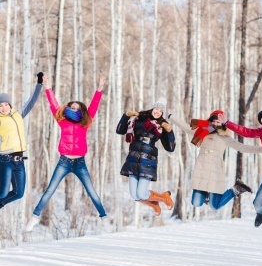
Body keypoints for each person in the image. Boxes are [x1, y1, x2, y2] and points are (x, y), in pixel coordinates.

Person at [26, 75, 111, 233]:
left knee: (91, 191)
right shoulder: (62, 120)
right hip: (64, 161)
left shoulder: (85, 122)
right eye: (72, 107)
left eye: (78, 108)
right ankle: (35, 218)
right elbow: (54, 105)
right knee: (50, 189)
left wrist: (99, 90)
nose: (75, 110)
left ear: (81, 111)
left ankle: (104, 218)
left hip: (80, 163)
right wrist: (48, 88)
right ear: (68, 108)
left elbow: (93, 107)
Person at [168, 110, 262, 211]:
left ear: (222, 123)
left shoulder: (225, 137)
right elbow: (185, 127)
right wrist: (171, 116)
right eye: (213, 121)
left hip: (215, 170)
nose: (215, 124)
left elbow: (242, 147)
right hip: (202, 169)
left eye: (218, 122)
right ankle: (206, 195)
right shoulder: (201, 132)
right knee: (196, 203)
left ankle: (236, 189)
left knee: (215, 206)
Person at [116, 98, 176, 216]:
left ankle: (164, 197)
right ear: (153, 108)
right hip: (133, 159)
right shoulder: (139, 119)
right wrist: (125, 116)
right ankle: (154, 204)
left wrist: (169, 131)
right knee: (134, 195)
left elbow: (170, 148)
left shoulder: (162, 125)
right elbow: (119, 130)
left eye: (160, 110)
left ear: (162, 113)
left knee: (142, 194)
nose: (157, 112)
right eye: (156, 109)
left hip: (148, 161)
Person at [0, 72, 44, 209]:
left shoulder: (19, 114)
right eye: (0, 105)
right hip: (5, 160)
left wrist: (39, 84)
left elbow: (31, 101)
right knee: (2, 193)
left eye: (6, 104)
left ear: (10, 105)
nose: (3, 108)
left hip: (19, 161)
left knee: (18, 193)